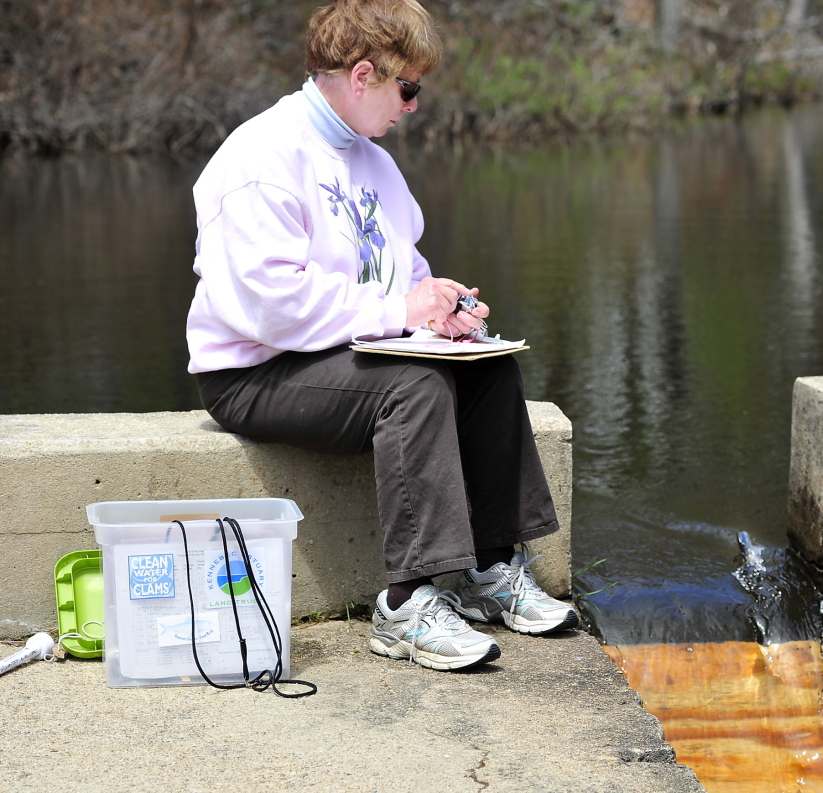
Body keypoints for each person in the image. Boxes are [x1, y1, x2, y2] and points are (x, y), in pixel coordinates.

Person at [185, 0, 577, 672]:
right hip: (254, 370)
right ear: (362, 75)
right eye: (409, 88)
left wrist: (442, 309)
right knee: (415, 385)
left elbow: (405, 270)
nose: (414, 105)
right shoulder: (260, 156)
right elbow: (271, 309)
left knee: (485, 367)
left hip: (340, 354)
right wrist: (400, 308)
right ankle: (406, 604)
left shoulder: (372, 161)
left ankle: (489, 569)